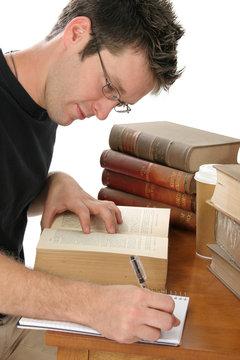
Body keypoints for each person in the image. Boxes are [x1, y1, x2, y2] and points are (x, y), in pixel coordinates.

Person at [0, 0, 184, 358]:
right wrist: (93, 305)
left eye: (118, 102)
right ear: (77, 33)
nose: (103, 113)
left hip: (14, 317)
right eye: (108, 87)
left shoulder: (42, 104)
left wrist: (54, 182)